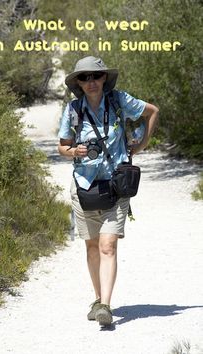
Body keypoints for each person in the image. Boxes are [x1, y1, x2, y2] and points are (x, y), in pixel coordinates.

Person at [58, 56, 159, 326]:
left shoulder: (119, 101)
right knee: (91, 246)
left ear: (104, 78)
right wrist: (74, 151)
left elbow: (152, 111)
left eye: (96, 76)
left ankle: (105, 305)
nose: (91, 82)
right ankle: (97, 297)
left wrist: (140, 145)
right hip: (84, 185)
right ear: (78, 83)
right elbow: (62, 146)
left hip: (117, 185)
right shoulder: (72, 110)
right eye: (84, 77)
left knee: (107, 244)